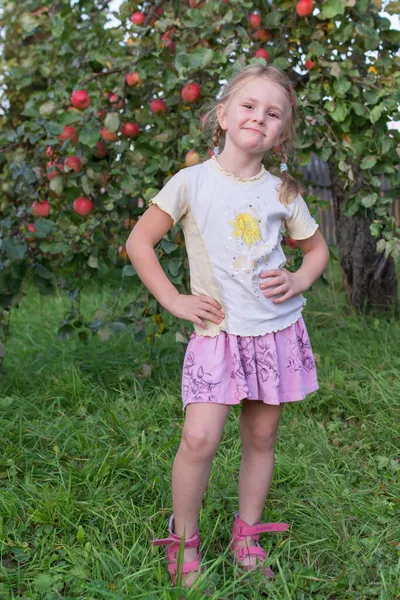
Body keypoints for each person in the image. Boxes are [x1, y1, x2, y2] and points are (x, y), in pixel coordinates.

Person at [126, 63, 330, 588]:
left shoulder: (282, 192)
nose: (258, 118)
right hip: (218, 334)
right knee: (199, 439)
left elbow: (316, 249)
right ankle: (184, 537)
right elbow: (138, 242)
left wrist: (300, 279)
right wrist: (173, 299)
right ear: (221, 114)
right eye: (248, 105)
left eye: (273, 113)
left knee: (261, 436)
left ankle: (247, 533)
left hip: (274, 333)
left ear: (281, 132)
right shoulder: (191, 182)